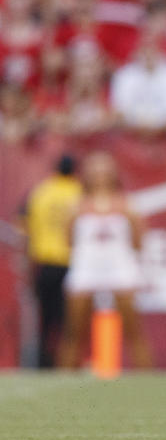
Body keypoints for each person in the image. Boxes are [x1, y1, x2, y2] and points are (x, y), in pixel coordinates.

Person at [59, 151, 152, 369]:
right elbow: (68, 241)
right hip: (86, 269)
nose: (100, 174)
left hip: (120, 269)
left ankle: (148, 382)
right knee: (74, 332)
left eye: (105, 169)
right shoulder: (77, 206)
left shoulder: (127, 206)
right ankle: (65, 379)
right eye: (95, 169)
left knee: (133, 331)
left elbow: (138, 241)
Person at [19, 154, 83, 368]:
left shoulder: (40, 192)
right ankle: (68, 363)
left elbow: (23, 226)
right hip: (74, 263)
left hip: (45, 263)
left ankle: (43, 364)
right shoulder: (80, 192)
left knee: (45, 319)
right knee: (70, 321)